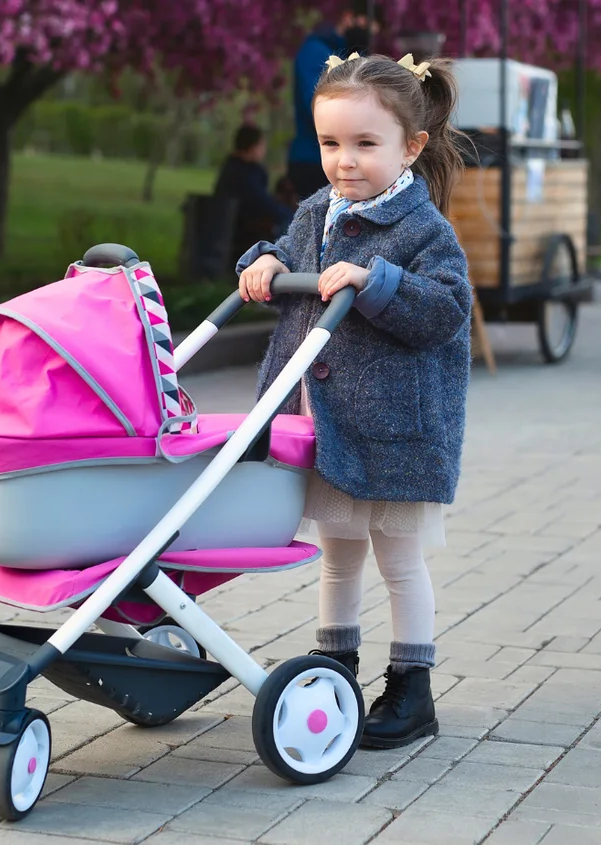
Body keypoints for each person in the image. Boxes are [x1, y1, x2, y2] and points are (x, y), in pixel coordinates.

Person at [236, 53, 470, 749]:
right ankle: (334, 665)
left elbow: (448, 307)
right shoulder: (318, 211)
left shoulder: (424, 229)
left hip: (397, 428)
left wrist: (379, 282)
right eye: (331, 143)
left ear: (411, 147)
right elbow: (283, 249)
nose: (345, 161)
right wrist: (267, 261)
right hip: (330, 425)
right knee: (338, 555)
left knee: (400, 558)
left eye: (366, 144)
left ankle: (411, 683)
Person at [286, 1, 381, 199]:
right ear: (349, 18)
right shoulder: (316, 50)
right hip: (313, 160)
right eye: (365, 28)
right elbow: (317, 107)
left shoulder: (343, 52)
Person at [213, 124, 294, 259]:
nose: (264, 150)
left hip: (230, 218)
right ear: (253, 147)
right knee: (288, 219)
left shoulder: (231, 167)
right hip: (244, 221)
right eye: (262, 145)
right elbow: (260, 202)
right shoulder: (247, 173)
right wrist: (284, 211)